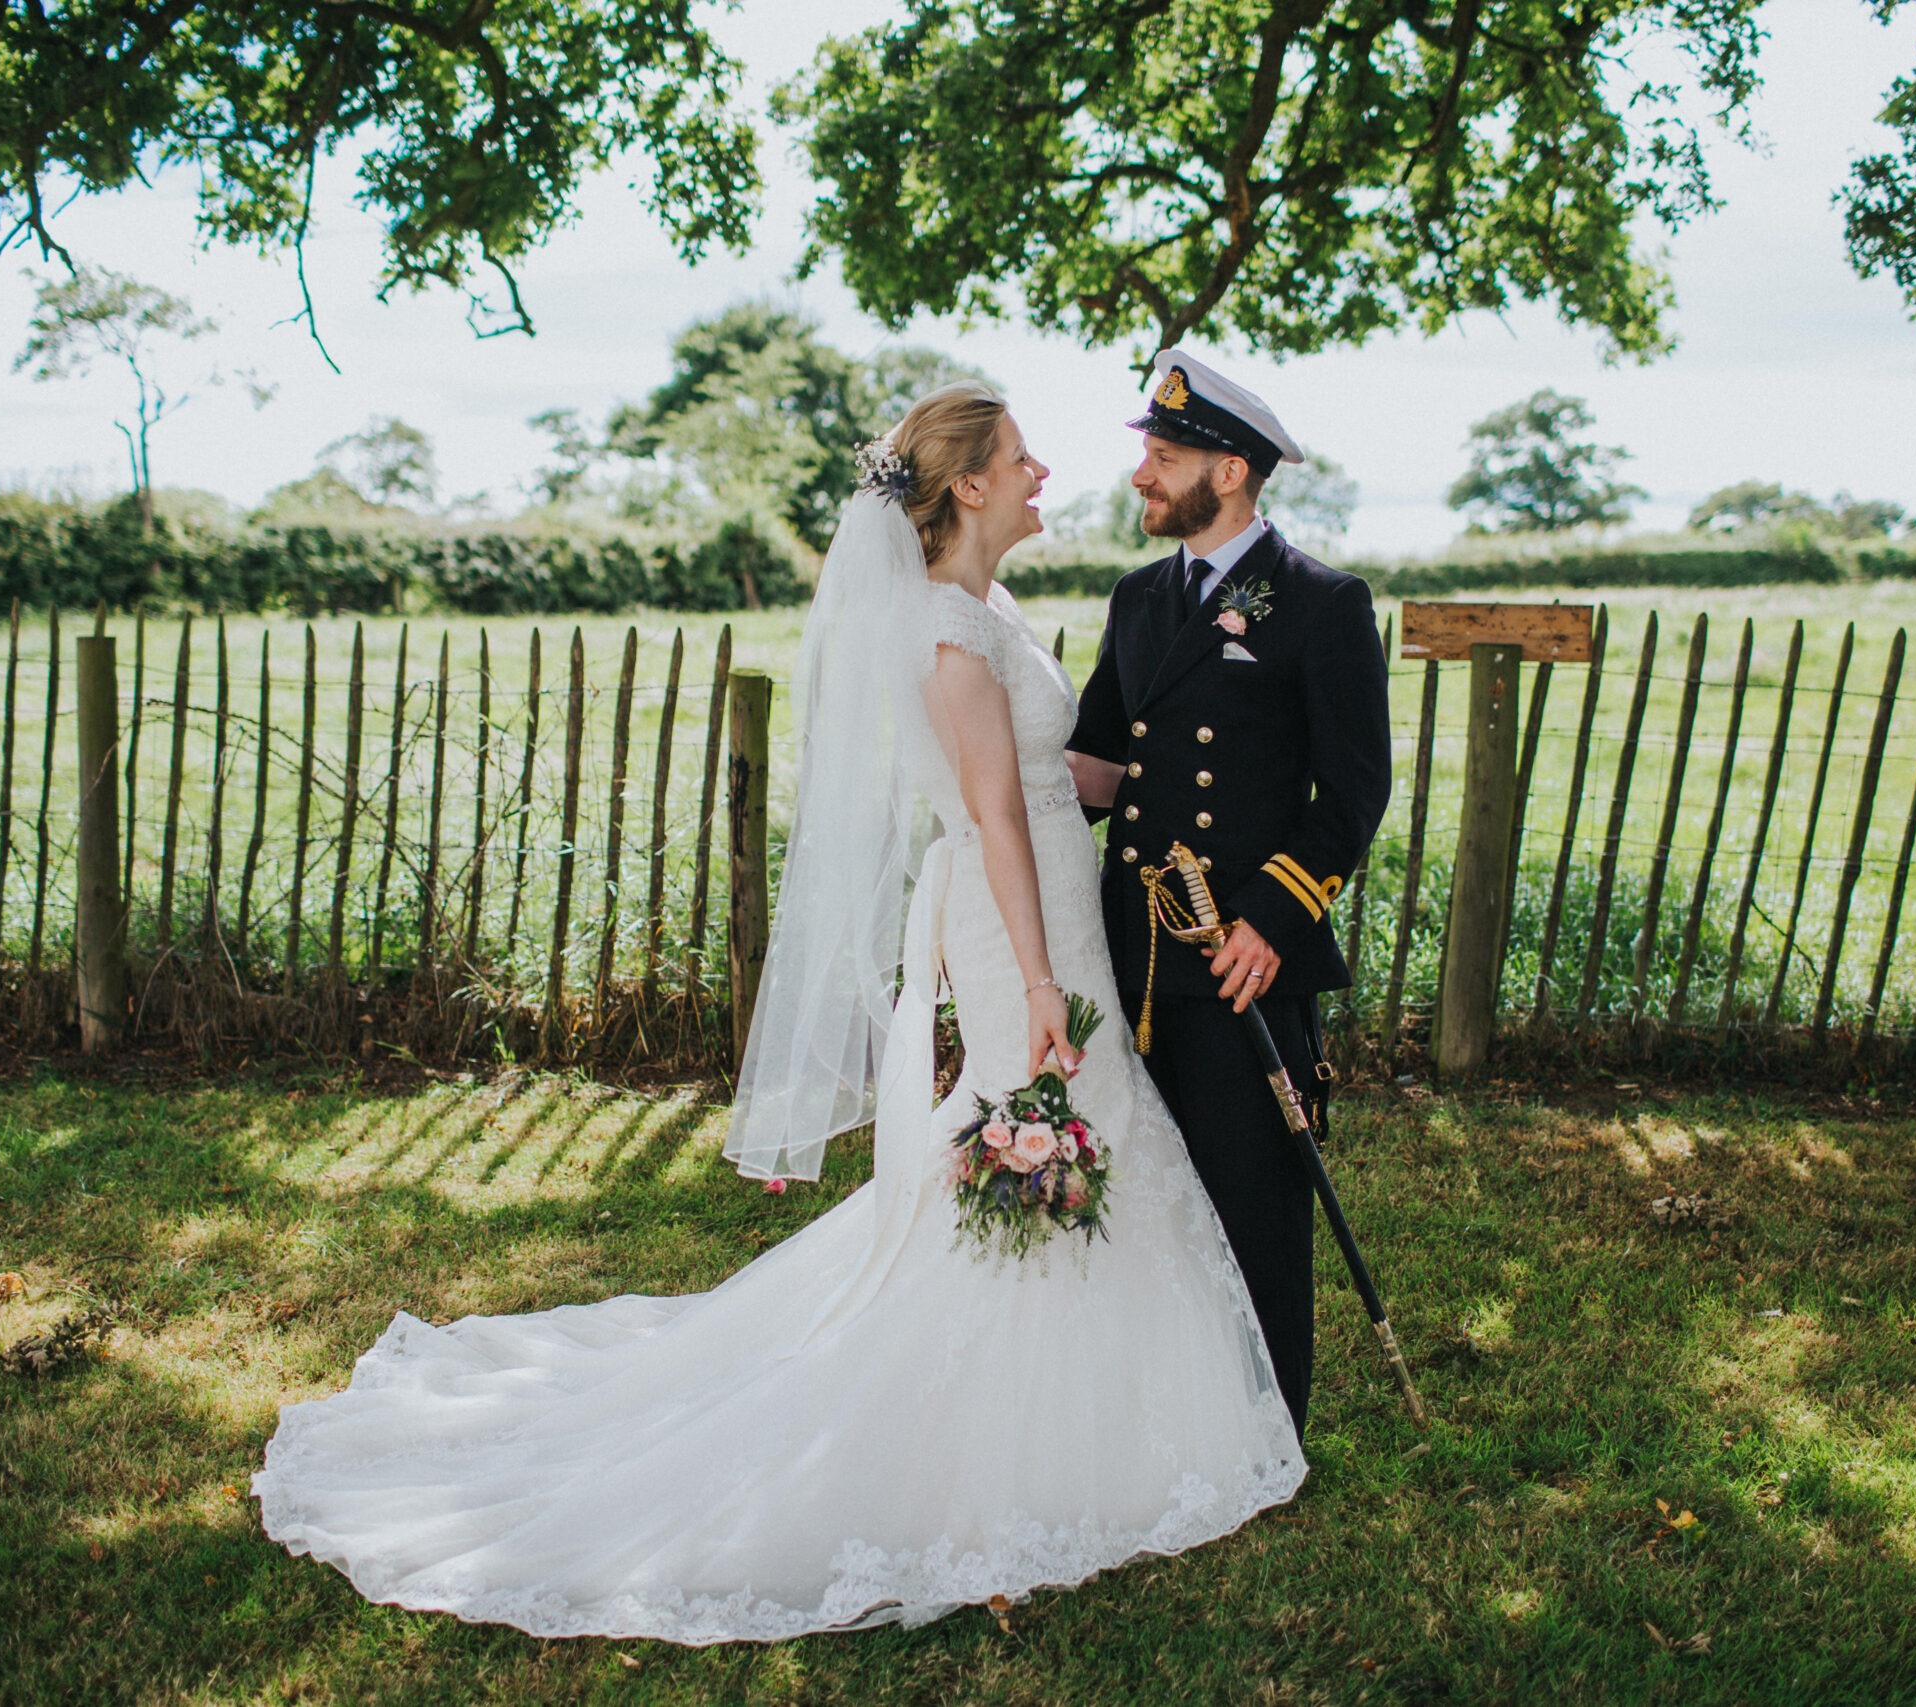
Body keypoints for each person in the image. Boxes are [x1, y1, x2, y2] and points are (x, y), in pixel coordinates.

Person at [249, 381, 1304, 1644]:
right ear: (965, 484)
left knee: (1070, 1138)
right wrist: (1033, 983)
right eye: (1019, 459)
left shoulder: (985, 607)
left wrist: (1212, 778)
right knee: (1045, 1129)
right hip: (1020, 919)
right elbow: (997, 818)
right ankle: (994, 1428)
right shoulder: (947, 639)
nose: (1042, 474)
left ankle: (1106, 1404)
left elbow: (1056, 771)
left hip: (1052, 905)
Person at [1066, 349, 1394, 1435]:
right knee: (1142, 1190)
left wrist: (1275, 914)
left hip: (1241, 955)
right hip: (1137, 954)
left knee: (1253, 1197)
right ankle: (1153, 1407)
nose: (1141, 477)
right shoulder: (1141, 596)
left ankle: (1262, 1424)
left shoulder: (1319, 603)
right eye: (1147, 455)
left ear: (1233, 470)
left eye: (1163, 457)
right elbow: (1101, 767)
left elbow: (1353, 790)